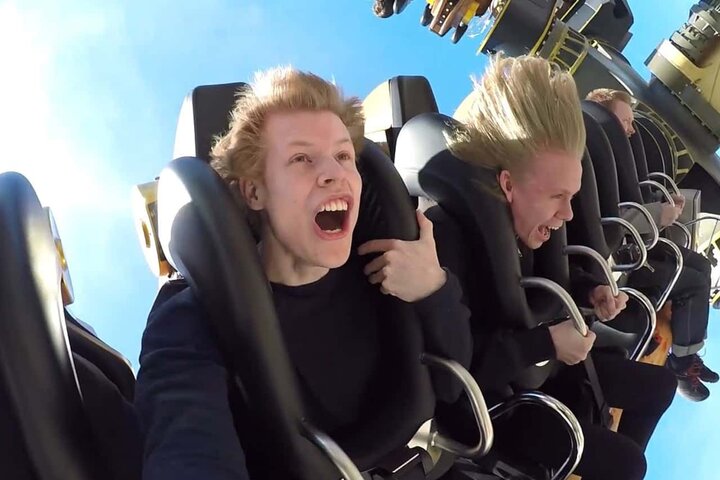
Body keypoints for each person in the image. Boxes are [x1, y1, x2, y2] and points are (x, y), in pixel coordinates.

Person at [135, 67, 473, 480]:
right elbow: (187, 439)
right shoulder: (197, 313)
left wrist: (433, 290)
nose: (335, 173)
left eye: (343, 156)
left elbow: (454, 386)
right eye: (301, 159)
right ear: (255, 191)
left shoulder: (385, 260)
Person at [429, 55, 676, 480]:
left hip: (540, 368)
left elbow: (531, 283)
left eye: (571, 197)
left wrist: (590, 290)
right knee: (627, 464)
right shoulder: (446, 238)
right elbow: (452, 368)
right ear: (508, 184)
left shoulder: (520, 228)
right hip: (490, 404)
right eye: (556, 197)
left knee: (660, 387)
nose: (567, 214)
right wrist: (545, 343)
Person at [586, 88, 718, 402]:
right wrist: (659, 214)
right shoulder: (592, 157)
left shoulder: (615, 157)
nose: (632, 130)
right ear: (602, 117)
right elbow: (605, 219)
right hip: (619, 264)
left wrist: (663, 204)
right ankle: (682, 363)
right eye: (625, 121)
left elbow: (628, 201)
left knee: (701, 265)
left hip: (636, 246)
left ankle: (688, 351)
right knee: (694, 282)